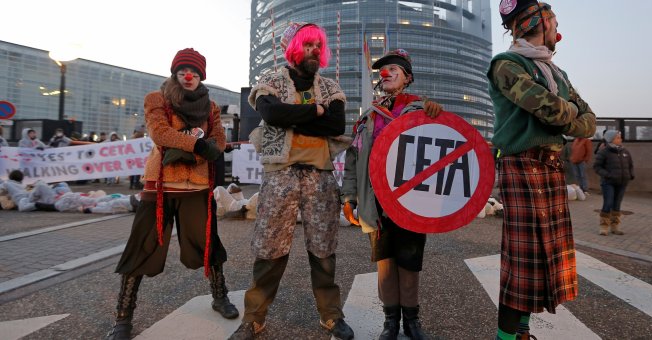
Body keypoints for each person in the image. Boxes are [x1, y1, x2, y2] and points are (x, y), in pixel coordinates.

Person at [229, 22, 354, 340]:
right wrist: (315, 112)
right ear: (295, 48)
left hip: (321, 176)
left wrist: (295, 117)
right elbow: (271, 115)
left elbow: (336, 122)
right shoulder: (271, 80)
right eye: (307, 44)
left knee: (324, 250)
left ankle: (331, 314)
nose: (314, 50)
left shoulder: (330, 86)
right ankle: (254, 317)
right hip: (280, 174)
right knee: (270, 249)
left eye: (317, 45)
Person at [106, 48, 238, 340]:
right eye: (182, 72)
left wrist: (206, 147)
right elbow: (160, 133)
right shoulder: (157, 99)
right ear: (175, 74)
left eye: (194, 72)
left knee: (208, 245)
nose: (188, 77)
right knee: (141, 246)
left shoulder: (211, 106)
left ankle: (220, 296)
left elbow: (218, 138)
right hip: (160, 186)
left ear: (201, 75)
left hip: (197, 187)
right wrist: (198, 146)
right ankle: (123, 317)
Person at [488, 1, 596, 339]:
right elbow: (551, 111)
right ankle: (504, 338)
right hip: (521, 163)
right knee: (523, 259)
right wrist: (569, 113)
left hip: (550, 166)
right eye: (554, 21)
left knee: (544, 257)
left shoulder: (556, 72)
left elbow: (589, 120)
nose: (556, 29)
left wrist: (570, 116)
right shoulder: (505, 65)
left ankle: (522, 331)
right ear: (538, 22)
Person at [342, 49, 442, 340]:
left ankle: (412, 322)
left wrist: (439, 116)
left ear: (407, 77)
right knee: (385, 265)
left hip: (412, 203)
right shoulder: (367, 119)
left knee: (409, 264)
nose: (385, 73)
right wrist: (349, 197)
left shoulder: (422, 111)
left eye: (392, 69)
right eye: (382, 70)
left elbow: (443, 148)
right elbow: (353, 161)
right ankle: (390, 323)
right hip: (378, 203)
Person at [593, 130, 634, 236]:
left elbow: (630, 165)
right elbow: (597, 167)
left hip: (622, 182)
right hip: (608, 183)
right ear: (611, 139)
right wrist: (608, 175)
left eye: (620, 137)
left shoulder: (625, 151)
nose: (620, 139)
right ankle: (604, 227)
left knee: (617, 205)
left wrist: (630, 175)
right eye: (618, 137)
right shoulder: (604, 151)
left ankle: (615, 227)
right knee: (608, 203)